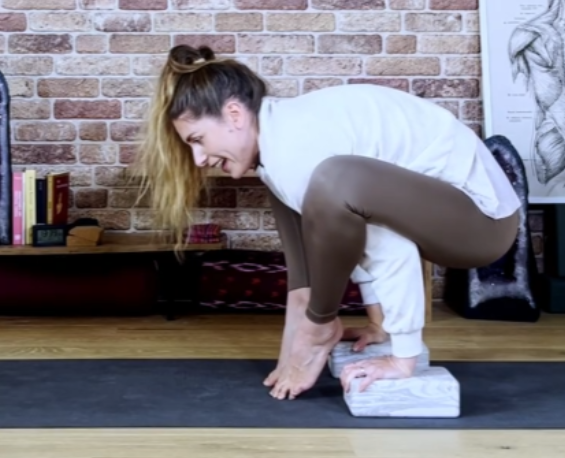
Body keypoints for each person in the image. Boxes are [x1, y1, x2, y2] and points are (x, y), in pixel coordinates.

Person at [133, 44, 523, 400]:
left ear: (234, 114)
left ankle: (320, 324)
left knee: (336, 183)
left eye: (198, 139)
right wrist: (379, 327)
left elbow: (390, 248)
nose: (199, 159)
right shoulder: (280, 141)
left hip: (483, 225)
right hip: (448, 214)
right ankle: (321, 317)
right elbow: (359, 236)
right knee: (324, 195)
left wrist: (402, 357)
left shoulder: (298, 152)